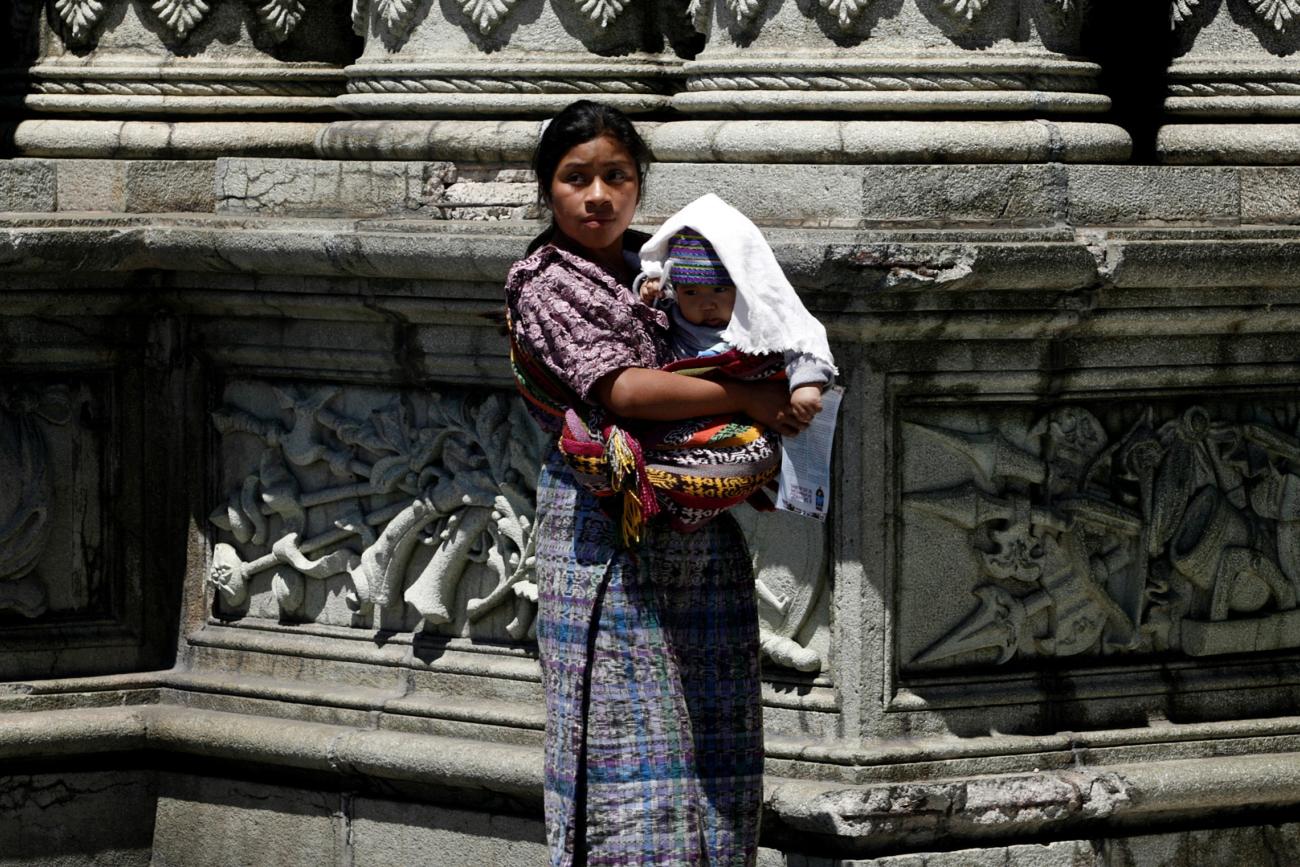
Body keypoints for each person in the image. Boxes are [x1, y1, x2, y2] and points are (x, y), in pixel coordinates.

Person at [504, 100, 812, 867]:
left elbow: (741, 331)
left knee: (712, 739)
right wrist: (742, 398)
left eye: (617, 176)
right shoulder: (545, 279)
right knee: (621, 746)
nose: (598, 195)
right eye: (577, 178)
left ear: (640, 185)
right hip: (606, 532)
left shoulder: (659, 266)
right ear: (549, 189)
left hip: (694, 534)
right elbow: (621, 390)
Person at [634, 194, 836, 430]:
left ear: (741, 289)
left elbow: (803, 343)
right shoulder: (673, 313)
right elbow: (652, 300)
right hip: (691, 406)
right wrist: (647, 288)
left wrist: (806, 387)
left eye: (719, 290)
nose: (706, 304)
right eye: (691, 293)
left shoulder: (759, 321)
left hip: (755, 412)